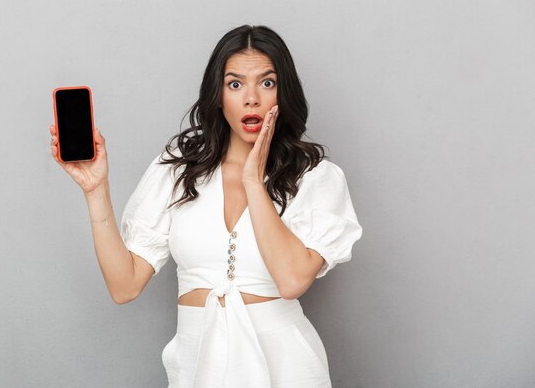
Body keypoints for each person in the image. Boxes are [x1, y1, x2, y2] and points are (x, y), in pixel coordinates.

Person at [49, 24, 363, 388]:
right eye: (235, 84)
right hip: (199, 367)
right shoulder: (182, 166)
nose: (251, 99)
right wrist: (95, 189)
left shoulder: (315, 176)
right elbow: (124, 286)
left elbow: (292, 281)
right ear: (217, 95)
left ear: (283, 93)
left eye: (267, 83)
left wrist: (252, 181)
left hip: (287, 368)